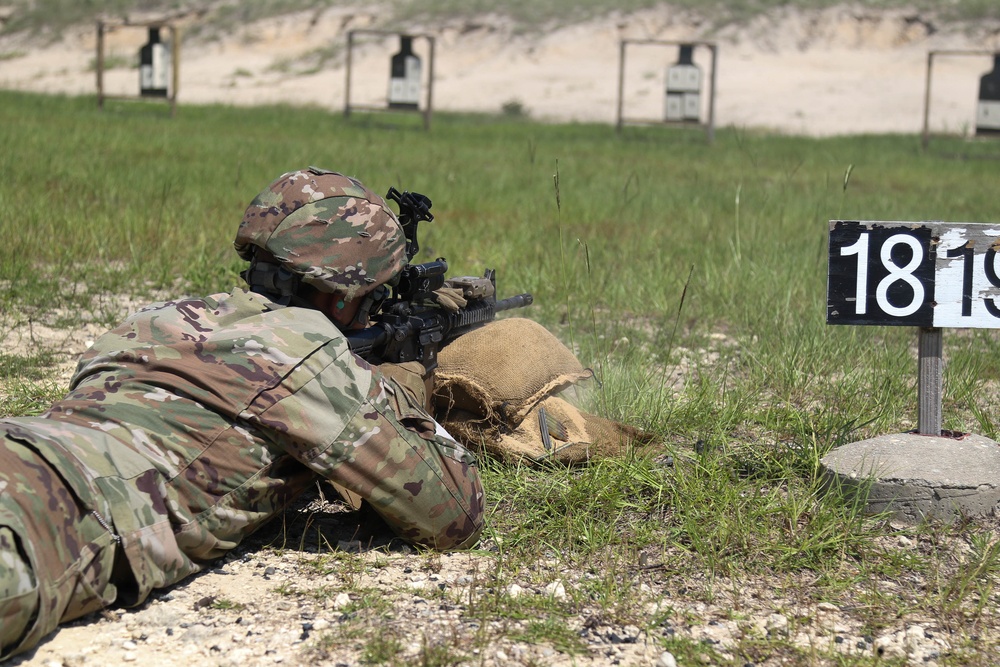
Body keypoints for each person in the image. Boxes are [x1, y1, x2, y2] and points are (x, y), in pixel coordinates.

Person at [0, 167, 484, 659]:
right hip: (55, 515)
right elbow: (455, 513)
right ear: (340, 296)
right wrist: (394, 387)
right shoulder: (305, 354)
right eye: (373, 299)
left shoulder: (151, 319)